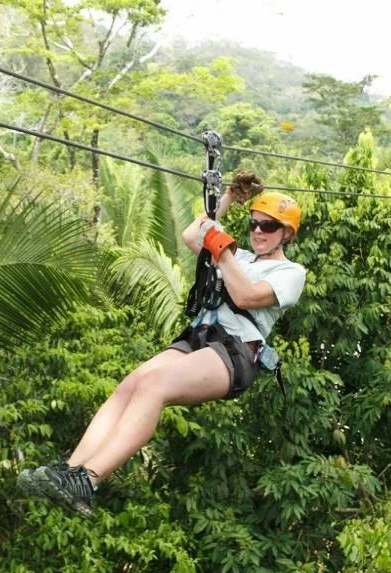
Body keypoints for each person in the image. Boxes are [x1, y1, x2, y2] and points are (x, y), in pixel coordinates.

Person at [17, 176, 306, 516]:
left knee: (155, 385)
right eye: (253, 223)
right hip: (201, 336)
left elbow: (246, 296)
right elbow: (192, 235)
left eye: (268, 226)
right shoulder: (240, 256)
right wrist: (228, 197)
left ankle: (90, 479)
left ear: (286, 234)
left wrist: (222, 250)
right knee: (130, 385)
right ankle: (70, 472)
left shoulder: (290, 272)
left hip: (237, 350)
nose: (258, 231)